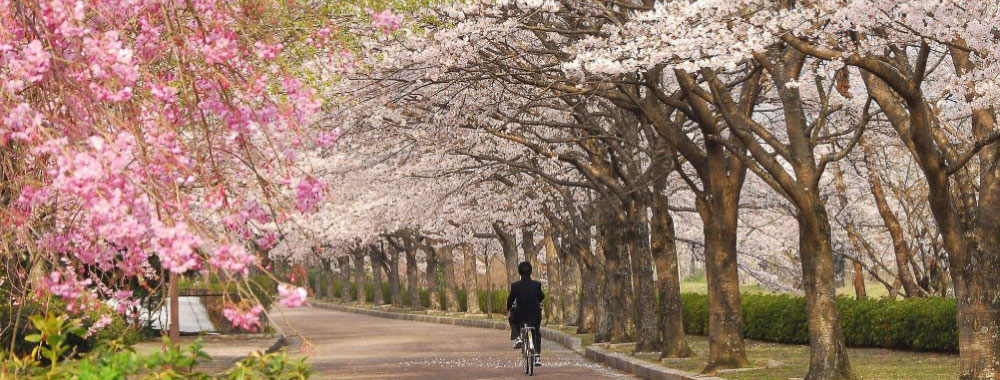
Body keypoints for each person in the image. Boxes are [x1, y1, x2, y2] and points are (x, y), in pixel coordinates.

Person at [507, 261, 544, 366]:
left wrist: (509, 308)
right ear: (531, 272)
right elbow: (541, 296)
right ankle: (537, 356)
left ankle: (518, 337)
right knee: (536, 332)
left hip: (521, 314)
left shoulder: (515, 286)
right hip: (535, 314)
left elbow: (510, 300)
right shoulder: (537, 285)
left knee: (512, 319)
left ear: (519, 272)